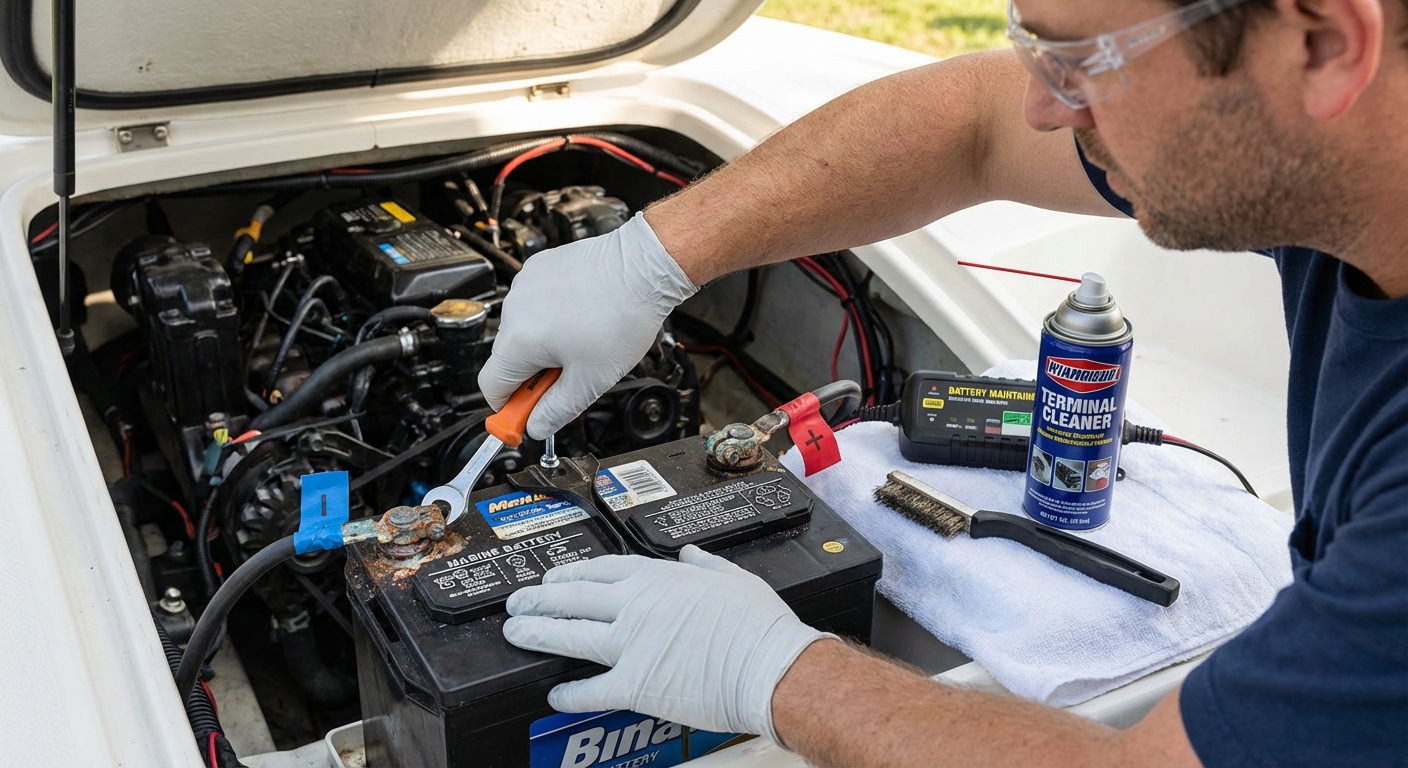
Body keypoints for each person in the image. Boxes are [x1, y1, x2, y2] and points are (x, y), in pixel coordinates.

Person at [480, 0, 1408, 764]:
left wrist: (771, 670)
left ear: (1326, 41)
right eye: (1035, 44)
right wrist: (651, 258)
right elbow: (977, 121)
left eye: (1081, 60)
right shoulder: (1337, 142)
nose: (1047, 108)